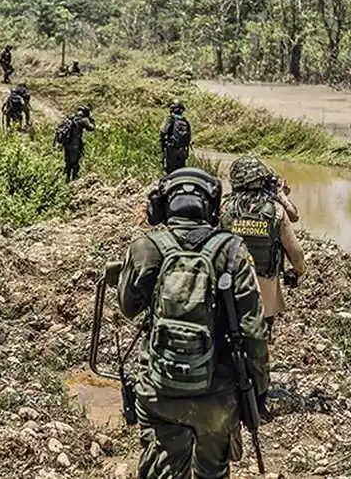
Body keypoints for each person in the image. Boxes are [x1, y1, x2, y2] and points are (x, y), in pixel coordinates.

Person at [118, 167, 270, 478]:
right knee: (212, 471)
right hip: (218, 397)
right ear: (212, 210)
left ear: (162, 208)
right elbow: (253, 331)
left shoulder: (145, 247)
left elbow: (127, 308)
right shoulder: (233, 250)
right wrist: (259, 389)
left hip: (159, 391)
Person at [221, 157, 305, 343]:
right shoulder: (276, 210)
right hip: (265, 286)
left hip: (230, 282)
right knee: (262, 338)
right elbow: (295, 251)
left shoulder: (225, 208)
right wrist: (298, 271)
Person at [55, 105, 94, 182]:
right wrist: (91, 120)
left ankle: (67, 179)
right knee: (75, 164)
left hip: (67, 144)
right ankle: (73, 181)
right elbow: (91, 128)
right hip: (75, 145)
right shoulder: (83, 120)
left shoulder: (71, 118)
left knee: (68, 162)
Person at [159, 99, 192, 174]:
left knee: (170, 172)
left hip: (172, 149)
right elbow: (189, 137)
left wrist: (163, 144)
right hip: (182, 150)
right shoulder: (185, 121)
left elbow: (163, 131)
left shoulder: (170, 118)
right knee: (180, 172)